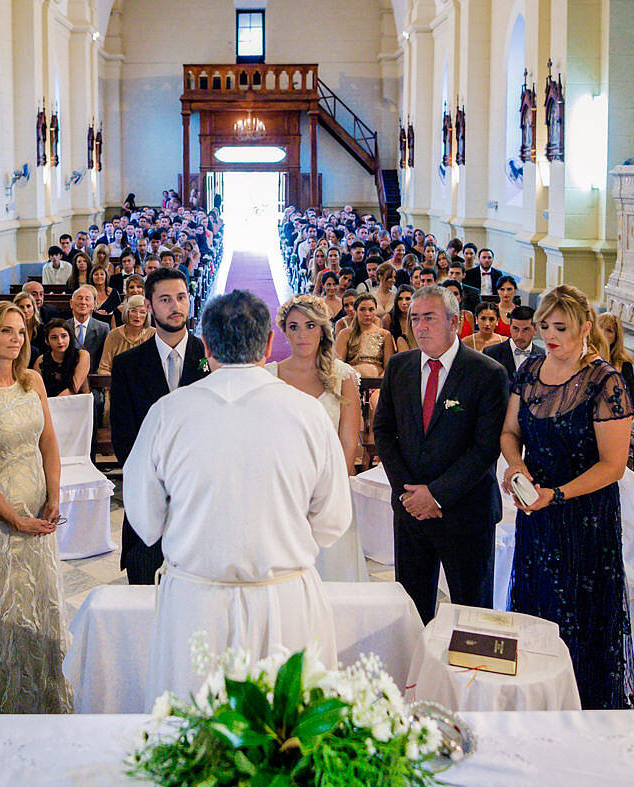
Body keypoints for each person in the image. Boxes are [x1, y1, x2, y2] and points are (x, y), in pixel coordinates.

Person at [124, 290, 351, 699]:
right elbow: (333, 520)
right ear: (268, 343)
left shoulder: (167, 413)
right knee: (286, 740)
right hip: (285, 601)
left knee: (194, 737)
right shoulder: (307, 414)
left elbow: (144, 519)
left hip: (196, 606)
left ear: (206, 345)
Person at [500, 285, 634, 710]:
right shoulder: (530, 371)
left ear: (585, 327)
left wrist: (555, 495)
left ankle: (583, 709)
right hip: (535, 514)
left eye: (561, 327)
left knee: (580, 616)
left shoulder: (605, 382)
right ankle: (537, 703)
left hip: (584, 518)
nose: (550, 336)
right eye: (545, 327)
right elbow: (509, 432)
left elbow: (613, 467)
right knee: (536, 604)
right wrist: (515, 465)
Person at [0, 302, 73, 714]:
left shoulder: (32, 381)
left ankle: (45, 699)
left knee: (40, 606)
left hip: (40, 516)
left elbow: (49, 443)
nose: (16, 339)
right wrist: (14, 519)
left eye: (21, 331)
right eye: (7, 331)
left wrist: (54, 497)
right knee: (4, 610)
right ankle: (0, 707)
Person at [372, 286, 509, 624]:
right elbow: (384, 432)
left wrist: (436, 495)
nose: (420, 327)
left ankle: (466, 677)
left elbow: (485, 448)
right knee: (411, 610)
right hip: (411, 512)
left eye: (429, 318)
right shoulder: (399, 366)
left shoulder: (487, 373)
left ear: (454, 321)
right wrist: (410, 493)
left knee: (471, 610)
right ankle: (417, 675)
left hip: (466, 512)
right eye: (414, 318)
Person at [110, 267, 210, 585]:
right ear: (150, 306)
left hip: (202, 503)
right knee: (146, 603)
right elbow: (124, 438)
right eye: (165, 299)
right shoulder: (128, 364)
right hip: (148, 504)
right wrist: (154, 485)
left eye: (181, 298)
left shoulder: (212, 358)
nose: (175, 306)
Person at [266, 295, 368, 582]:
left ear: (323, 329)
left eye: (310, 326)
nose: (301, 334)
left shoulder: (343, 376)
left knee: (333, 569)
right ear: (284, 331)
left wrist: (335, 487)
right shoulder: (270, 375)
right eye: (294, 326)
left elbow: (349, 440)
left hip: (330, 484)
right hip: (284, 487)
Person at [597, 311, 634, 474]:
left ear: (616, 336)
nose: (603, 333)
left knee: (629, 440)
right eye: (600, 328)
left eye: (609, 330)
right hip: (591, 424)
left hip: (617, 425)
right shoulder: (584, 359)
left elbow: (633, 403)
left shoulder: (624, 363)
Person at [485, 304, 543, 380]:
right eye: (515, 328)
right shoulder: (491, 354)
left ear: (535, 329)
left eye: (526, 329)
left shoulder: (543, 356)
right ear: (510, 327)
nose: (519, 336)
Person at [98, 294, 152, 373]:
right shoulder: (113, 335)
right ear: (127, 312)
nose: (138, 315)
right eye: (133, 311)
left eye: (142, 312)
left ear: (147, 315)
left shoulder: (153, 334)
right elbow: (104, 368)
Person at [35, 319, 90, 397]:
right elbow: (38, 392)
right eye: (54, 338)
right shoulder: (41, 361)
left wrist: (54, 404)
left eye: (64, 336)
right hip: (49, 403)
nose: (60, 341)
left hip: (78, 401)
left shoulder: (82, 355)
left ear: (70, 336)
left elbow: (74, 388)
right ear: (47, 341)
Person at [66, 285, 110, 368]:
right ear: (71, 303)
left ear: (93, 305)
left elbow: (104, 358)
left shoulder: (103, 329)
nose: (83, 302)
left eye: (87, 299)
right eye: (79, 298)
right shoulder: (64, 326)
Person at [385, 285, 415, 353]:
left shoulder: (418, 318)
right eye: (400, 299)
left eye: (407, 299)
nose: (403, 303)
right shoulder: (388, 318)